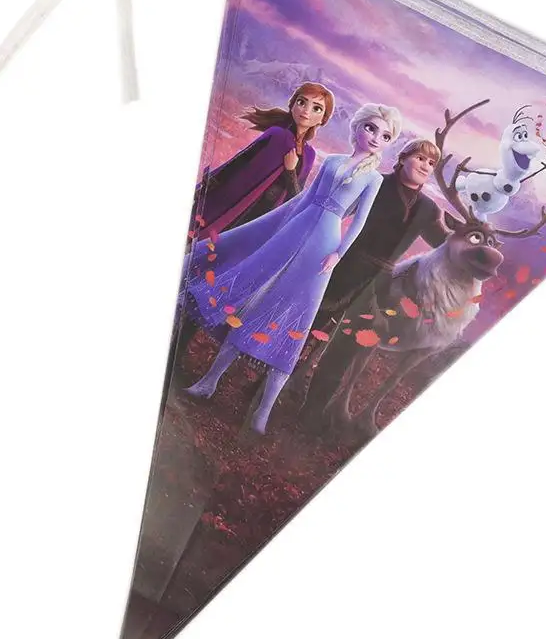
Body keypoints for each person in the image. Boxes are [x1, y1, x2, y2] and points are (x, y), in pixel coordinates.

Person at [181, 104, 403, 433]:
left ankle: (263, 411)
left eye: (385, 136)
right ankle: (209, 382)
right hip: (296, 229)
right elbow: (304, 199)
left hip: (324, 244)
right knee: (254, 299)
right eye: (371, 128)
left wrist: (338, 254)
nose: (375, 138)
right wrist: (276, 228)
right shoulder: (332, 161)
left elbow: (358, 222)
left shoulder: (373, 178)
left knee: (296, 313)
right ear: (357, 127)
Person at [294, 138, 450, 422]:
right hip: (345, 269)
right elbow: (339, 208)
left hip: (379, 285)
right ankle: (266, 387)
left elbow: (443, 242)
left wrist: (471, 237)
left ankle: (311, 413)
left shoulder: (428, 208)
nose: (425, 166)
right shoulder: (375, 183)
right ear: (403, 158)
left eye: (431, 163)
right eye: (420, 158)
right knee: (307, 328)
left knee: (345, 349)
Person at [189, 81, 335, 239]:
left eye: (316, 108)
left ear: (322, 119)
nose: (306, 110)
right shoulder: (277, 135)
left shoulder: (310, 154)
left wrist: (291, 171)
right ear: (292, 105)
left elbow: (295, 197)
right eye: (301, 102)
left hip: (264, 216)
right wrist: (207, 185)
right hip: (238, 201)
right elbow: (241, 161)